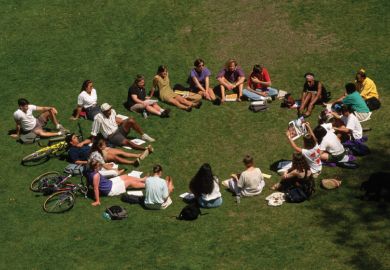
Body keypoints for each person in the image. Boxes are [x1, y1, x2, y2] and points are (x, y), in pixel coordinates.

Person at [91, 103, 155, 150]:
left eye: (109, 109)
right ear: (103, 112)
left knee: (131, 120)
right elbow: (94, 132)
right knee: (128, 142)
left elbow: (114, 120)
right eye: (107, 111)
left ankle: (144, 135)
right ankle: (145, 149)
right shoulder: (98, 118)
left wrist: (124, 122)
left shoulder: (113, 111)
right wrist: (92, 142)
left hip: (119, 130)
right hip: (112, 136)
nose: (109, 111)